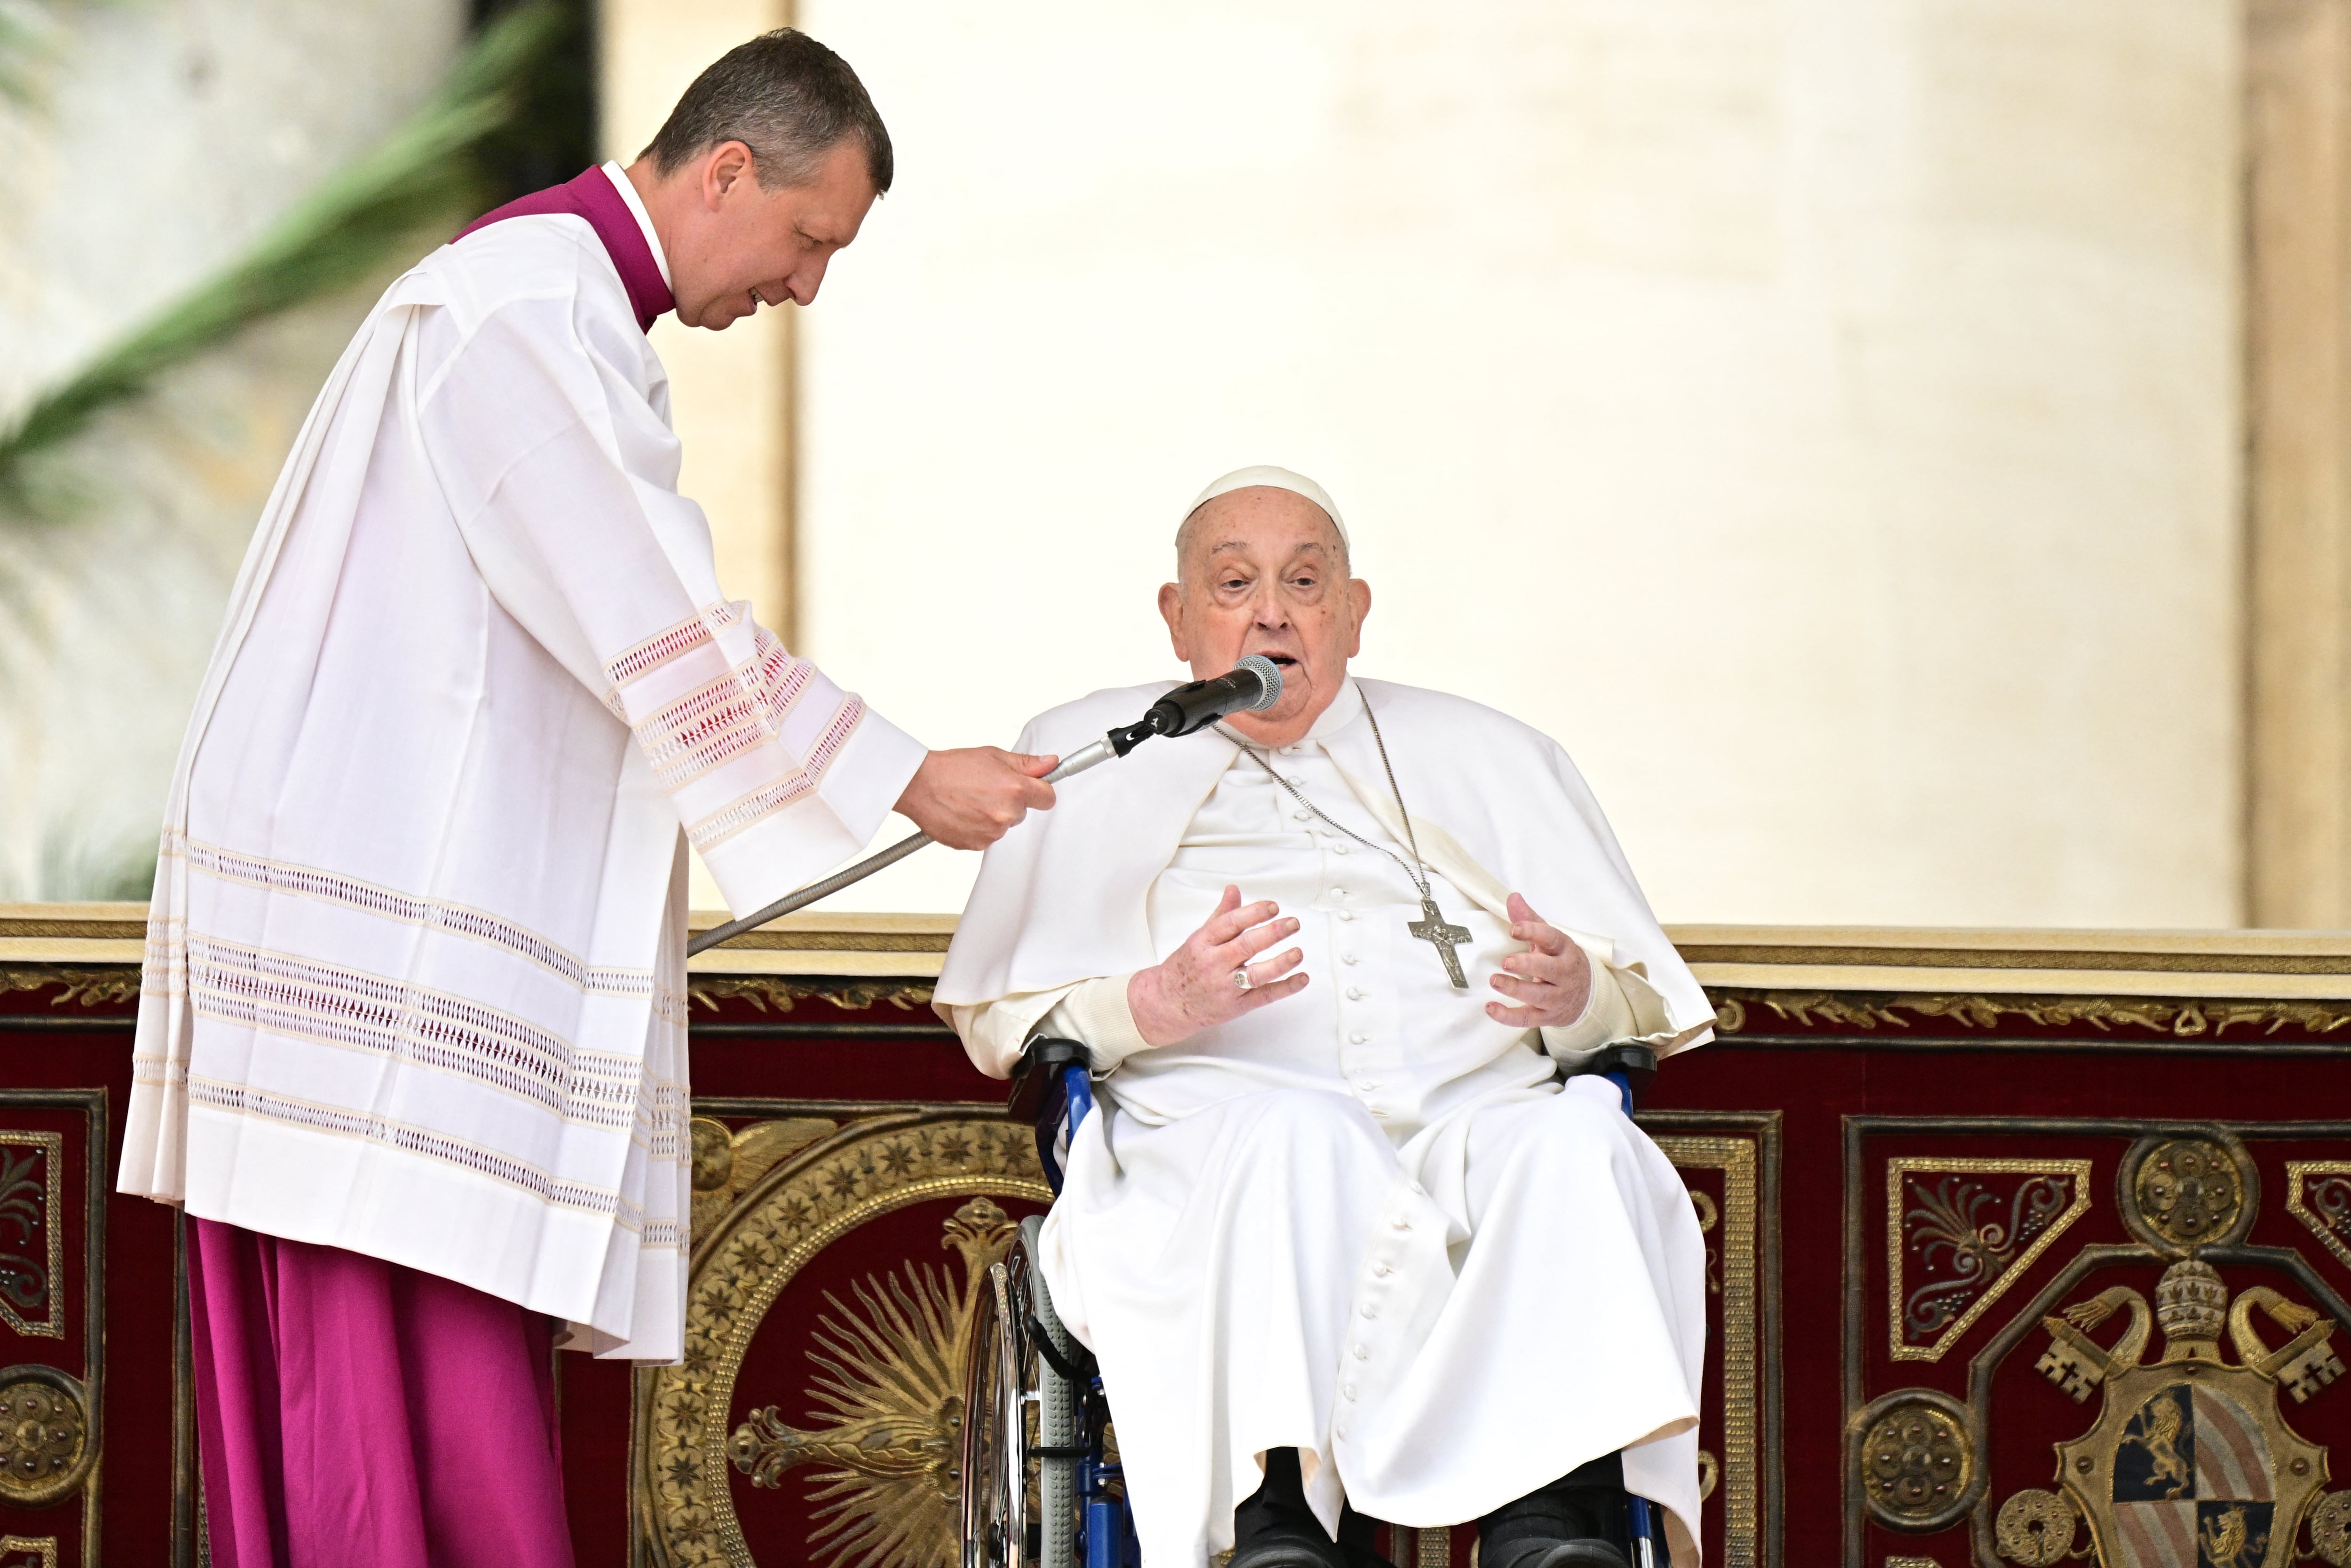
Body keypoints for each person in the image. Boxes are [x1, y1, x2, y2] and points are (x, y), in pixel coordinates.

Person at [118, 30, 1055, 1568]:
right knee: (390, 1379)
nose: (804, 287)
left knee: (432, 1362)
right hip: (383, 935)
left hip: (383, 902)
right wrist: (901, 768)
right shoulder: (523, 306)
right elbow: (650, 612)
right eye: (810, 238)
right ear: (729, 168)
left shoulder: (544, 301)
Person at [937, 467, 1717, 1568]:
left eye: (1306, 581)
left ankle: (1554, 1525)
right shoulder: (1090, 755)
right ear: (1177, 619)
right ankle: (1279, 1528)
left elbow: (1637, 1010)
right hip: (1213, 1139)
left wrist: (1579, 994)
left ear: (1353, 613)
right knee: (1297, 1141)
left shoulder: (1491, 754)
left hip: (1471, 1134)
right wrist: (1153, 1002)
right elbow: (1008, 1026)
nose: (1272, 612)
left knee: (1580, 1137)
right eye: (1235, 582)